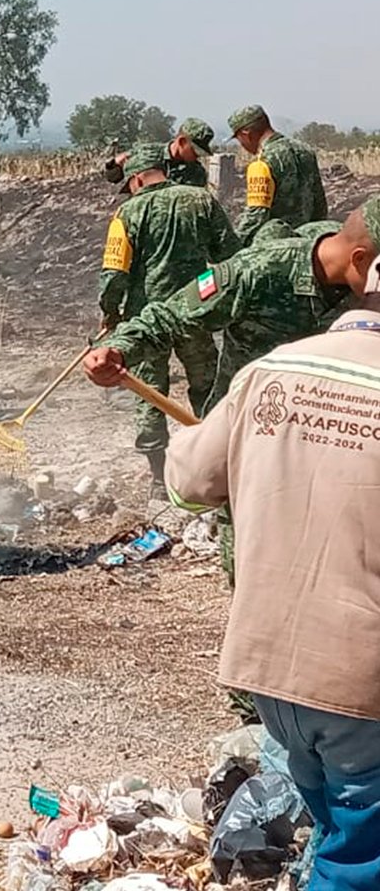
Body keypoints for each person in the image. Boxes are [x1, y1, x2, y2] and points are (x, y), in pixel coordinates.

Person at [164, 240, 380, 890]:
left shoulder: (269, 371)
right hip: (360, 680)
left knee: (330, 821)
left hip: (270, 669)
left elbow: (187, 482)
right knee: (357, 858)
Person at [82, 204, 378, 415]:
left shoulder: (351, 260)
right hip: (243, 431)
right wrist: (119, 350)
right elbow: (170, 317)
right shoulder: (254, 271)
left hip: (323, 441)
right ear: (360, 259)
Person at [98, 144, 240, 498]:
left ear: (136, 178)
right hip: (196, 311)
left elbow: (115, 273)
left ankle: (160, 481)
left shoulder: (127, 213)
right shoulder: (201, 200)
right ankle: (217, 465)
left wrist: (110, 312)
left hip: (146, 320)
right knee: (206, 387)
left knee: (149, 394)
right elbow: (230, 257)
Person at [228, 104, 328, 246]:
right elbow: (320, 204)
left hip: (277, 247)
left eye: (239, 139)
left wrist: (234, 248)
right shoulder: (306, 150)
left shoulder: (262, 163)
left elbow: (256, 217)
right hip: (308, 243)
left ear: (246, 134)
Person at [106, 118, 215, 189]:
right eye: (195, 150)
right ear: (182, 142)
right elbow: (113, 176)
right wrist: (114, 165)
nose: (197, 155)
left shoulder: (197, 173)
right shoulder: (147, 153)